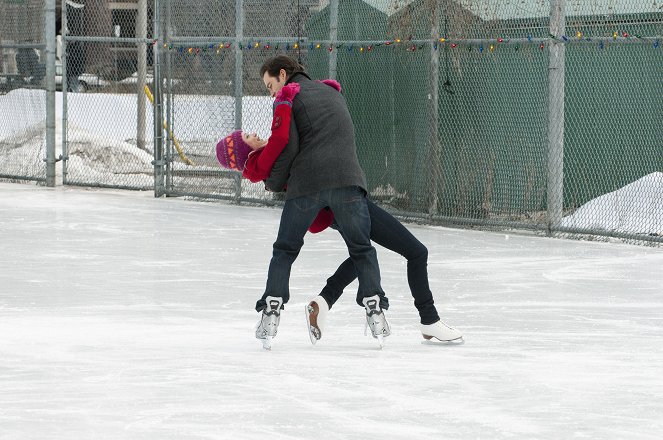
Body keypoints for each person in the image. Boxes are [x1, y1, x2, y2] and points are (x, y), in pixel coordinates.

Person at [215, 74, 462, 346]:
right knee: (405, 251)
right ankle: (428, 319)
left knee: (364, 251)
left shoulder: (271, 154)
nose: (254, 134)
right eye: (247, 137)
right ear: (242, 152)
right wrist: (290, 103)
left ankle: (323, 301)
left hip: (332, 202)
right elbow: (282, 148)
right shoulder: (269, 156)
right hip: (341, 196)